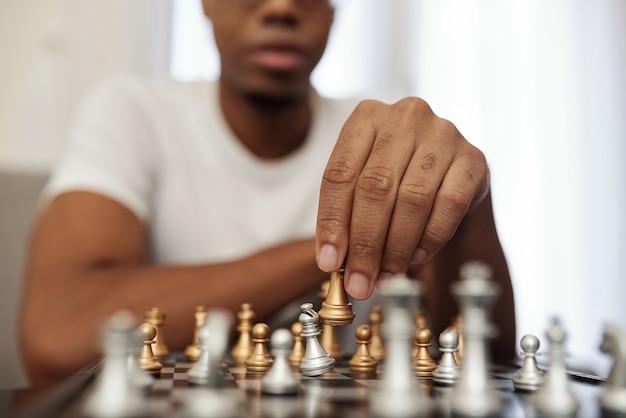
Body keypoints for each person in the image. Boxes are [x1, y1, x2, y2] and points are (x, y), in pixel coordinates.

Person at [19, 0, 516, 386]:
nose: (280, 7)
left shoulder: (388, 139)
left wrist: (469, 202)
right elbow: (56, 337)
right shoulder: (131, 112)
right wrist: (332, 249)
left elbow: (489, 366)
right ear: (204, 4)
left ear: (333, 11)